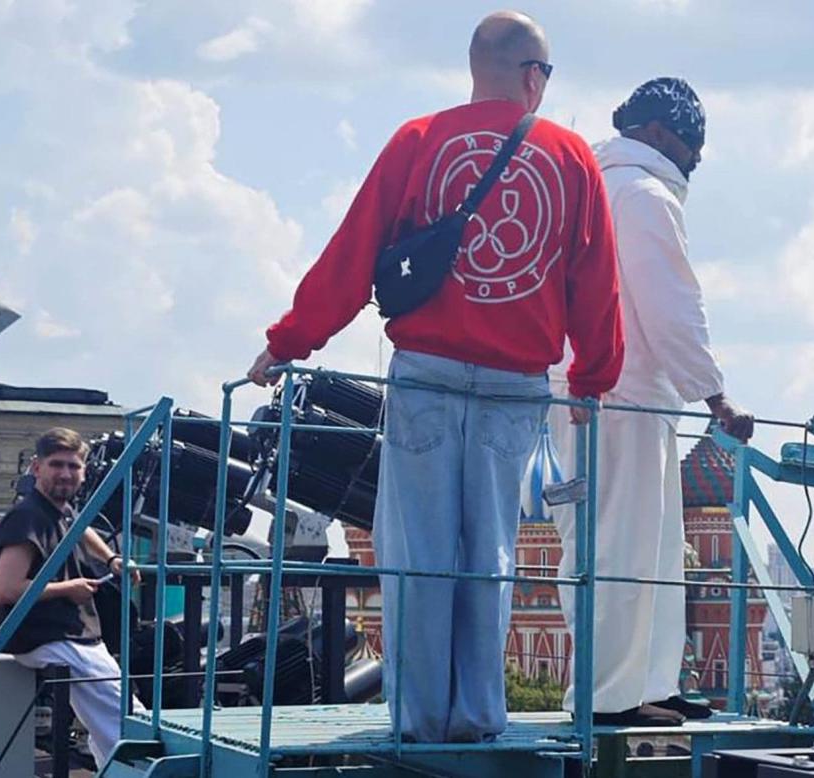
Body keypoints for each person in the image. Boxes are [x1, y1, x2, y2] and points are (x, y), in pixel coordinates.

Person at [247, 10, 624, 743]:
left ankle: (419, 720)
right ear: (532, 76)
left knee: (417, 551)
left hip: (425, 378)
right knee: (489, 552)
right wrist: (591, 379)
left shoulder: (419, 141)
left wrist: (287, 342)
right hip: (517, 386)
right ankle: (479, 715)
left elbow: (352, 255)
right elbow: (595, 280)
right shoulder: (572, 155)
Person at [549, 78, 755, 727]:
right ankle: (610, 697)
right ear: (664, 135)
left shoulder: (589, 181)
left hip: (588, 390)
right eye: (693, 145)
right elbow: (669, 305)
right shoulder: (642, 194)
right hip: (623, 393)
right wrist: (715, 394)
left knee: (642, 547)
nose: (695, 159)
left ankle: (646, 687)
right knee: (621, 546)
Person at [0, 427, 143, 768]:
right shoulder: (27, 517)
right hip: (46, 634)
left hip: (71, 631)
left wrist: (111, 559)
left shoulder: (58, 510)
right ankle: (140, 766)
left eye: (73, 466)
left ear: (84, 472)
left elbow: (82, 527)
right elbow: (7, 589)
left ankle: (116, 768)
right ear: (36, 467)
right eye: (56, 464)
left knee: (109, 717)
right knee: (126, 718)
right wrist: (67, 589)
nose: (65, 473)